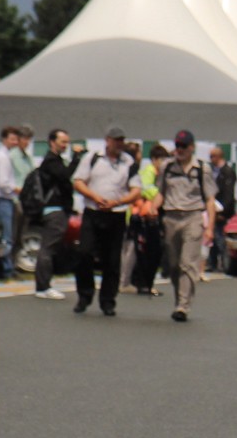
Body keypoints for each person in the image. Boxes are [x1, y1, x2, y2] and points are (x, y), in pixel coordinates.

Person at [71, 126, 140, 317]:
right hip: (93, 212)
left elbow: (136, 190)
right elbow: (78, 181)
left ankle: (108, 301)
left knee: (112, 260)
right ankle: (84, 295)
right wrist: (94, 196)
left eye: (122, 140)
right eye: (116, 140)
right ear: (107, 140)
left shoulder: (128, 162)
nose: (119, 144)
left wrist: (118, 201)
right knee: (84, 253)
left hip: (116, 214)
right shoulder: (92, 158)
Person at [156, 130, 219, 322]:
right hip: (171, 217)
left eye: (184, 146)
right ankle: (179, 298)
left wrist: (209, 228)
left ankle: (183, 305)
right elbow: (160, 193)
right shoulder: (167, 167)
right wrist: (152, 207)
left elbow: (210, 200)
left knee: (187, 263)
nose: (180, 150)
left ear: (192, 147)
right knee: (174, 265)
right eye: (177, 146)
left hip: (192, 217)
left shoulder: (202, 169)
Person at [30, 129, 80, 300]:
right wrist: (76, 159)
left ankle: (44, 284)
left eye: (67, 142)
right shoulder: (50, 161)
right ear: (52, 142)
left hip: (58, 209)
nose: (65, 145)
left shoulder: (56, 160)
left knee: (51, 247)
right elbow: (65, 176)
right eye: (62, 142)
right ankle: (43, 286)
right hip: (54, 210)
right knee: (48, 247)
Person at [128, 145, 167, 296]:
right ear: (154, 159)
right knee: (146, 251)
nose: (164, 163)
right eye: (161, 160)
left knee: (153, 251)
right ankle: (142, 283)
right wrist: (160, 194)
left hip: (152, 215)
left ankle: (146, 283)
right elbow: (145, 189)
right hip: (144, 216)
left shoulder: (158, 173)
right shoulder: (148, 171)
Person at [205, 145, 237, 279]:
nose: (211, 159)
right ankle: (212, 262)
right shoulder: (213, 171)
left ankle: (224, 263)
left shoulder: (227, 172)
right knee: (212, 236)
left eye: (213, 156)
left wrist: (222, 211)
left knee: (221, 238)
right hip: (213, 208)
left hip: (223, 211)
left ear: (219, 157)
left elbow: (228, 194)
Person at [0, 126, 20, 279]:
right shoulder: (3, 157)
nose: (15, 142)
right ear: (5, 139)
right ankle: (6, 269)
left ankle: (1, 268)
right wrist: (16, 189)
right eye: (13, 139)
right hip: (4, 199)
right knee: (6, 237)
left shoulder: (0, 155)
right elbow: (3, 182)